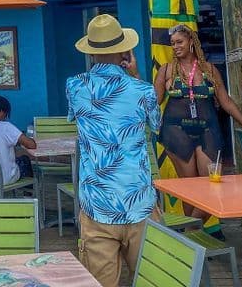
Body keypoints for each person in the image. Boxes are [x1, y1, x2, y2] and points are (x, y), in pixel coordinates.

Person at [119, 0, 225, 231]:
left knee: (196, 84)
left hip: (187, 22)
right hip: (161, 29)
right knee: (165, 89)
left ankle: (205, 217)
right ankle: (180, 212)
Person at [66, 14, 161, 287]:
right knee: (151, 280)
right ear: (125, 51)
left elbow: (75, 116)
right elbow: (156, 125)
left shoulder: (74, 86)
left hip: (97, 204)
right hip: (139, 202)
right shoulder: (142, 90)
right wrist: (136, 76)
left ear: (91, 52)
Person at [155, 24, 242, 220]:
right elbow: (151, 104)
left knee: (212, 188)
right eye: (172, 44)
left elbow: (227, 102)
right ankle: (194, 242)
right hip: (176, 132)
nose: (175, 47)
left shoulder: (209, 70)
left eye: (179, 42)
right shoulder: (166, 71)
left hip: (208, 131)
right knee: (190, 190)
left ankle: (189, 234)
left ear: (191, 42)